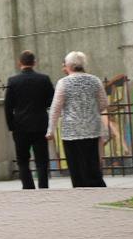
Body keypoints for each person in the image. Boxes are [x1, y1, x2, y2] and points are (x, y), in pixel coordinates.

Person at [46, 51, 108, 188]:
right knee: (93, 163)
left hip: (71, 130)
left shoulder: (63, 83)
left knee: (76, 166)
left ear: (68, 66)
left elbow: (55, 108)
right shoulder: (95, 80)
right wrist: (91, 112)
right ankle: (97, 188)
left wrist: (51, 129)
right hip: (92, 128)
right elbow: (104, 103)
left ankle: (80, 189)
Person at [4, 50, 56, 189]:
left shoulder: (13, 81)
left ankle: (28, 187)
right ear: (34, 63)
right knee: (42, 159)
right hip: (40, 124)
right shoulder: (44, 79)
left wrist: (11, 126)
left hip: (20, 126)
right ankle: (43, 186)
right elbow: (52, 101)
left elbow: (8, 106)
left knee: (22, 160)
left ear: (19, 63)